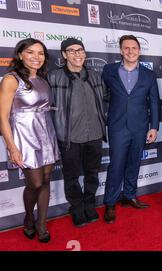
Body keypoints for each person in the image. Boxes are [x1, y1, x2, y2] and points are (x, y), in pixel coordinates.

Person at [0, 38, 59, 242]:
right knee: (35, 182)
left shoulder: (43, 79)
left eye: (41, 53)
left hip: (46, 132)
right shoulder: (11, 79)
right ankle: (28, 218)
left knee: (46, 180)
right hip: (24, 136)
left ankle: (42, 224)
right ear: (20, 55)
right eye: (31, 52)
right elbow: (3, 117)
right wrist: (11, 147)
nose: (36, 57)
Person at [47, 38, 107, 227]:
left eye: (80, 50)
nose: (77, 54)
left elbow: (105, 98)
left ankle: (90, 204)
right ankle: (76, 208)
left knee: (92, 174)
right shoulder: (53, 77)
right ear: (64, 55)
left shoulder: (95, 76)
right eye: (71, 51)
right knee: (71, 176)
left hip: (95, 135)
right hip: (69, 138)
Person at [102, 35, 160, 223]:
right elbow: (101, 97)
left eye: (134, 48)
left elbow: (154, 102)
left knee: (134, 162)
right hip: (117, 126)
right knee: (116, 164)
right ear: (120, 50)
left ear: (139, 51)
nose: (130, 51)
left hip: (140, 127)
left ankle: (129, 195)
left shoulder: (149, 75)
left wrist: (154, 127)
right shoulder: (108, 70)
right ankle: (110, 202)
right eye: (126, 48)